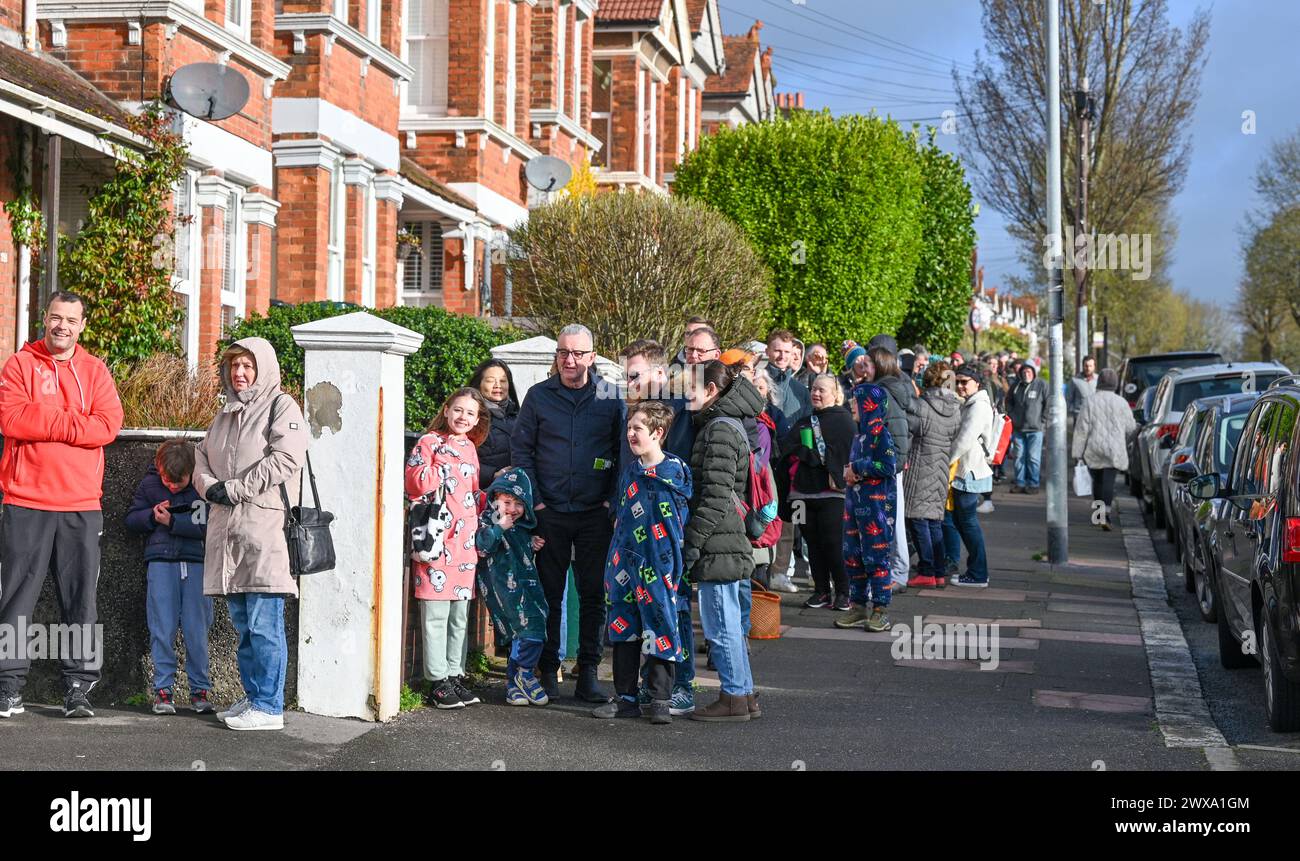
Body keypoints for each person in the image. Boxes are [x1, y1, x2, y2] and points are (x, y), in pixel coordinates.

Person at [0, 292, 124, 720]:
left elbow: (107, 425)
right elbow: (13, 419)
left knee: (81, 600)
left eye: (71, 320)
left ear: (82, 325)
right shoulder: (19, 365)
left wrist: (47, 419)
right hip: (25, 500)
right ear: (45, 319)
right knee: (16, 599)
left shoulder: (95, 371)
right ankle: (9, 688)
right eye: (56, 318)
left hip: (80, 505)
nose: (63, 326)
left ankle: (78, 687)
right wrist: (75, 422)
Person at [196, 337, 308, 730]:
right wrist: (208, 485)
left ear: (263, 368)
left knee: (264, 623)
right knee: (244, 625)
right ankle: (255, 696)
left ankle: (269, 706)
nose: (239, 373)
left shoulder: (281, 406)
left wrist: (234, 489)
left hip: (264, 532)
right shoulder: (224, 413)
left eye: (248, 365)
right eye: (234, 366)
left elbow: (287, 458)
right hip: (228, 534)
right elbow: (201, 456)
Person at [511, 323, 623, 702]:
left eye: (577, 353)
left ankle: (588, 671)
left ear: (592, 357)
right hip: (550, 512)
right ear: (556, 356)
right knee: (548, 593)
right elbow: (522, 452)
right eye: (563, 353)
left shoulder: (611, 397)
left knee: (592, 593)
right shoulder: (538, 397)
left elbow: (623, 453)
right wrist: (536, 502)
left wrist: (612, 501)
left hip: (595, 513)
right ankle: (547, 670)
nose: (570, 360)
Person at [595, 401, 693, 724]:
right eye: (629, 427)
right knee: (624, 628)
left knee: (661, 626)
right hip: (624, 564)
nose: (631, 434)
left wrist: (673, 565)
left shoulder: (674, 473)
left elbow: (680, 524)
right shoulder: (630, 472)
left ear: (658, 432)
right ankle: (625, 697)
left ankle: (660, 698)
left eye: (638, 428)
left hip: (660, 565)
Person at [683, 360, 765, 722]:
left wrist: (692, 542)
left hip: (719, 540)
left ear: (711, 391)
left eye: (690, 387)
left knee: (720, 624)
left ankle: (733, 696)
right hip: (731, 537)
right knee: (730, 620)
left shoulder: (718, 429)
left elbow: (714, 496)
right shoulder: (730, 424)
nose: (684, 394)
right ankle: (744, 694)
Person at [406, 387, 489, 710]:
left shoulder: (470, 447)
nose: (463, 417)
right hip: (436, 541)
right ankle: (437, 680)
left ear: (477, 419)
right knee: (436, 614)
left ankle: (455, 674)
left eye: (470, 413)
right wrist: (440, 468)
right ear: (446, 409)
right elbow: (413, 482)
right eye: (458, 410)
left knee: (458, 616)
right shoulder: (429, 442)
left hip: (465, 544)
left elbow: (472, 491)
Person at [125, 439, 213, 715]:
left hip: (196, 565)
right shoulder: (150, 486)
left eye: (179, 481)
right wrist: (151, 517)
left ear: (192, 472)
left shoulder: (201, 488)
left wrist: (172, 523)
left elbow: (208, 526)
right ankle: (163, 689)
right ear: (159, 468)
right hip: (161, 564)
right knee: (161, 628)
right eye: (167, 480)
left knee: (197, 630)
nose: (173, 486)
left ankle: (200, 689)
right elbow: (131, 520)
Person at [475, 467, 550, 705]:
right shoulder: (490, 521)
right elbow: (482, 547)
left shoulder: (519, 527)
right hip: (502, 590)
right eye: (507, 501)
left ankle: (514, 682)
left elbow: (515, 546)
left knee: (536, 624)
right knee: (526, 629)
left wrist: (529, 541)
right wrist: (499, 527)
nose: (513, 509)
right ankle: (525, 674)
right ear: (495, 498)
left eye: (519, 504)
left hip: (527, 586)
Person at [782, 375, 855, 611]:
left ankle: (844, 592)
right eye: (813, 389)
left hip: (832, 494)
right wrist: (802, 452)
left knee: (833, 544)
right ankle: (821, 591)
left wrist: (816, 455)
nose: (816, 393)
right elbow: (786, 452)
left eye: (822, 390)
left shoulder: (845, 422)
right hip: (801, 495)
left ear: (836, 394)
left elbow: (849, 455)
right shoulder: (804, 421)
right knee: (811, 544)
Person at [834, 382, 899, 632]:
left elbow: (888, 466)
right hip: (854, 506)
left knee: (876, 558)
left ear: (869, 406)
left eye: (857, 401)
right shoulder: (858, 436)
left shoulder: (881, 434)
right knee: (852, 556)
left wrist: (858, 469)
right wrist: (849, 472)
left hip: (877, 509)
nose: (852, 404)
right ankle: (858, 607)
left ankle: (880, 610)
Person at [903, 362, 961, 588]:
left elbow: (910, 432)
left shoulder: (921, 406)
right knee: (934, 522)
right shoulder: (956, 409)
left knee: (917, 519)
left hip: (919, 466)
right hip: (940, 469)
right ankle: (938, 572)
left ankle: (926, 569)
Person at [864, 344, 913, 592]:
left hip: (885, 467)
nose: (864, 367)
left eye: (869, 363)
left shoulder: (882, 392)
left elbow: (893, 430)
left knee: (889, 522)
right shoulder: (893, 390)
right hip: (889, 465)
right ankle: (896, 572)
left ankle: (897, 574)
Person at [945, 366, 993, 587]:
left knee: (968, 522)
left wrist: (947, 460)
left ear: (977, 383)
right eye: (959, 382)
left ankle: (978, 573)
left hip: (968, 472)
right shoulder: (972, 403)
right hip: (967, 471)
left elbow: (964, 439)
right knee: (963, 522)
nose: (961, 386)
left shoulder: (978, 407)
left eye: (965, 382)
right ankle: (976, 571)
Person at [1070, 368, 1135, 531]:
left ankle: (1098, 515)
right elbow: (1130, 427)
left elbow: (1081, 430)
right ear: (1115, 384)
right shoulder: (1121, 402)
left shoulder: (1090, 401)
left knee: (1097, 482)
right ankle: (1105, 514)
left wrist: (1077, 453)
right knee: (1108, 482)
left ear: (1099, 383)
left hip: (1093, 447)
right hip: (1114, 449)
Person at [468, 358, 519, 480]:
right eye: (490, 381)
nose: (498, 386)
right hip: (484, 491)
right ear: (479, 384)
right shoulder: (469, 416)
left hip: (516, 490)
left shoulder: (520, 415)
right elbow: (459, 457)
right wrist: (492, 475)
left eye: (503, 381)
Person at [1006, 362, 1049, 494]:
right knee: (1019, 457)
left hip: (1035, 430)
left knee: (1033, 458)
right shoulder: (1016, 386)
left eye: (1029, 372)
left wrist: (1042, 421)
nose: (1026, 374)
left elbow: (1048, 403)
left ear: (1034, 373)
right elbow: (1008, 401)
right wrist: (1012, 415)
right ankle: (1020, 483)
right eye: (1024, 372)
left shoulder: (1041, 385)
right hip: (1018, 429)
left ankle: (1033, 484)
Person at [764, 328, 812, 425]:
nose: (782, 356)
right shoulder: (756, 384)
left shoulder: (802, 391)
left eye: (787, 352)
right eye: (777, 351)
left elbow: (807, 426)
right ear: (767, 351)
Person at [1067, 356, 1099, 424]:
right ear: (1083, 366)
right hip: (1079, 419)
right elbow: (1068, 400)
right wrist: (1075, 411)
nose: (1088, 368)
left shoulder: (1099, 379)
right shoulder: (1074, 380)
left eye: (1090, 366)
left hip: (1095, 419)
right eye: (1086, 366)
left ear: (1094, 367)